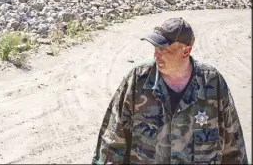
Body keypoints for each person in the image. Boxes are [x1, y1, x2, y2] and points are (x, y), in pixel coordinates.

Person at [92, 17, 248, 164]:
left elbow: (233, 145)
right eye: (155, 47)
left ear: (186, 51)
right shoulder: (138, 80)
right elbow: (112, 141)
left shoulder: (213, 83)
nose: (156, 55)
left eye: (164, 50)